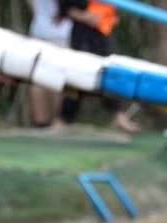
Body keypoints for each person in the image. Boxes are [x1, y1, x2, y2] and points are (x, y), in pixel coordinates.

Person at [59, 0, 140, 133]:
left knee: (109, 73)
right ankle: (64, 119)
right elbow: (65, 7)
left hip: (103, 34)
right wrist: (83, 16)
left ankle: (117, 115)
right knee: (77, 76)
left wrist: (112, 17)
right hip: (83, 35)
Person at [26, 0, 74, 129]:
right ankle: (58, 120)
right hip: (61, 31)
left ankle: (40, 122)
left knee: (38, 79)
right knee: (58, 79)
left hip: (39, 29)